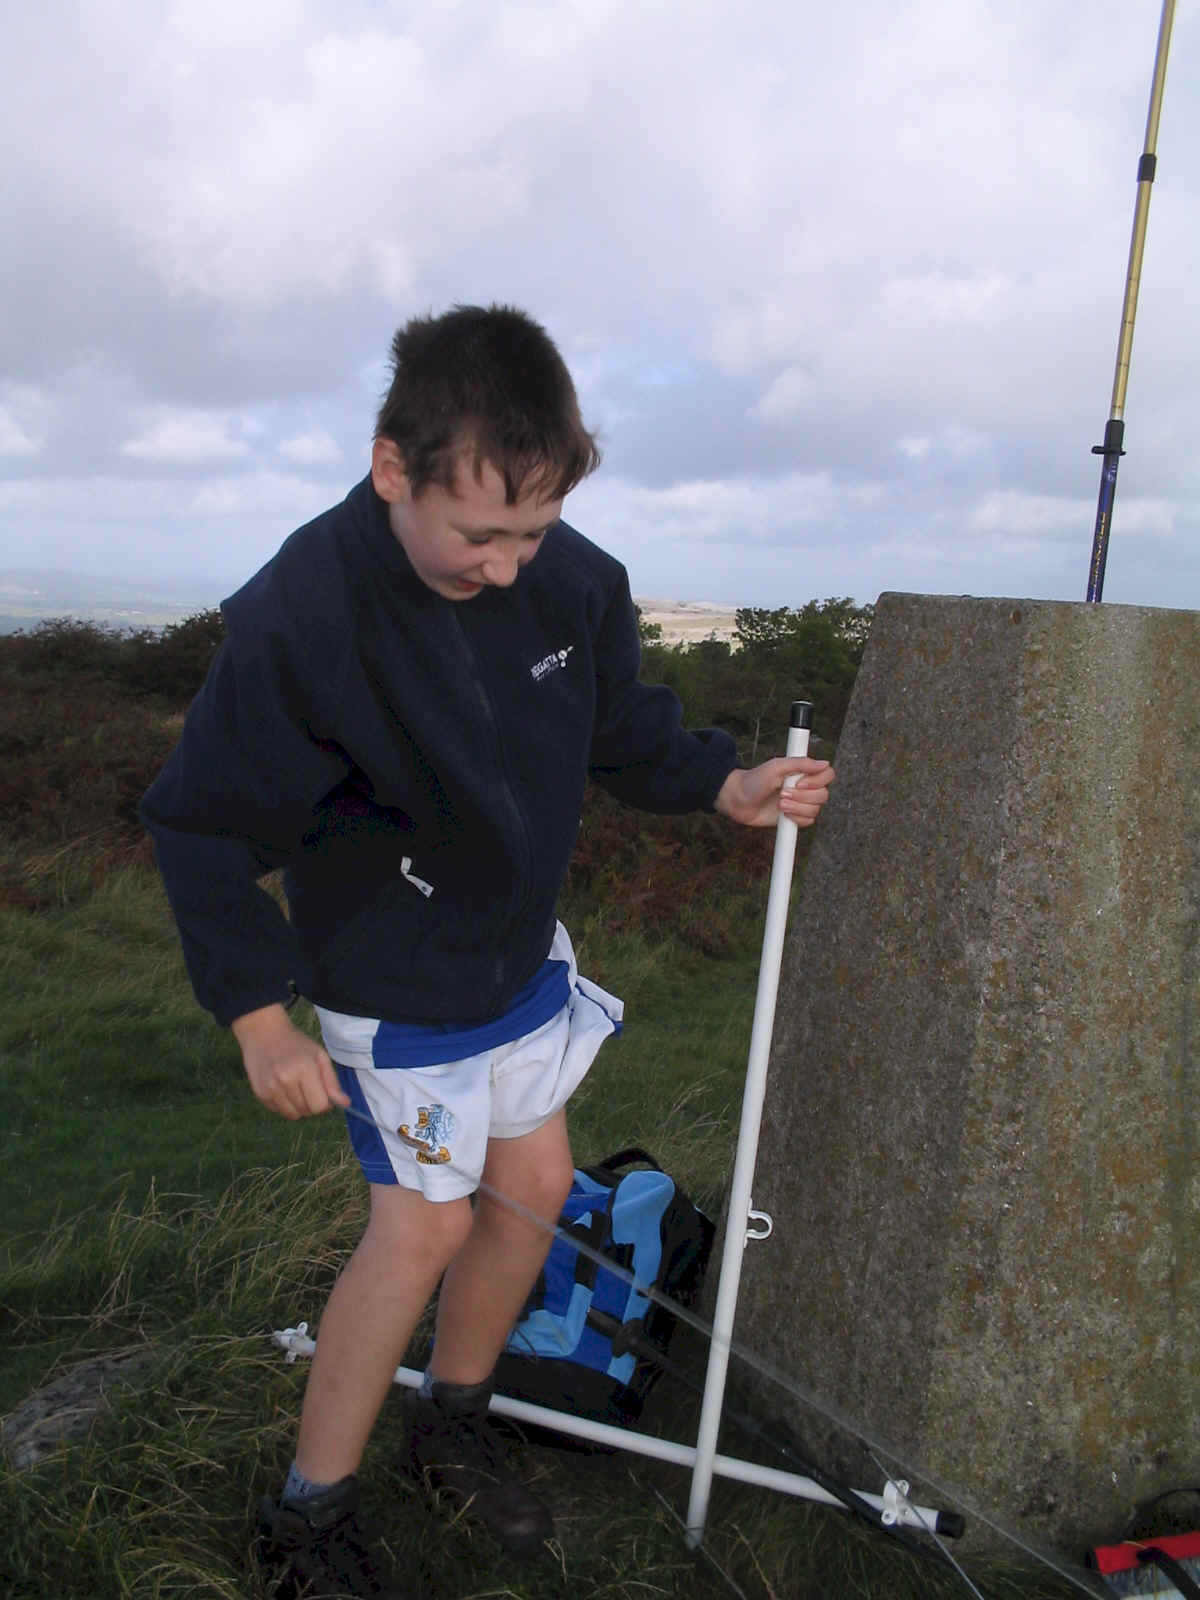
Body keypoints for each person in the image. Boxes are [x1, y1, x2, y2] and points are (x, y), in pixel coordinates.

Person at [140, 304, 834, 1599]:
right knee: (422, 1229)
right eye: (480, 533)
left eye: (534, 527)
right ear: (390, 465)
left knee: (531, 1200)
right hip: (393, 992)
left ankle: (451, 1421)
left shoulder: (572, 580)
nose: (510, 566)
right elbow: (197, 825)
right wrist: (256, 1015)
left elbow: (621, 727)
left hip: (518, 967)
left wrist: (724, 784)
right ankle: (308, 1517)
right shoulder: (307, 618)